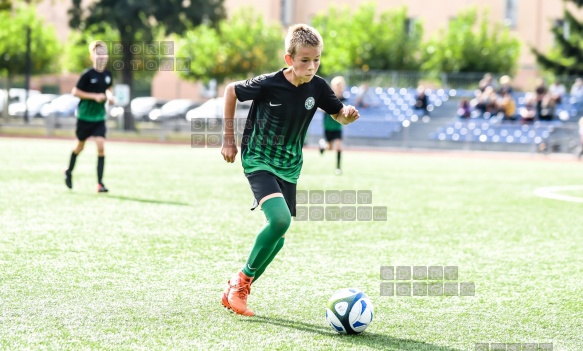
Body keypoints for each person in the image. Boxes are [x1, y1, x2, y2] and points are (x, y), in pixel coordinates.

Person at [220, 24, 360, 316]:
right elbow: (230, 91)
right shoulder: (269, 83)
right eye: (305, 60)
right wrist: (228, 141)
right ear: (289, 59)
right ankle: (240, 284)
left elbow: (338, 113)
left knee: (279, 238)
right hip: (258, 158)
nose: (311, 66)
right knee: (280, 220)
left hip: (290, 165)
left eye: (317, 59)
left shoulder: (318, 87)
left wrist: (346, 115)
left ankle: (237, 286)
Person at [64, 40, 115, 193]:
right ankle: (69, 171)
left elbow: (108, 89)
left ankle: (100, 183)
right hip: (85, 117)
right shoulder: (87, 74)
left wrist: (110, 96)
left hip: (99, 117)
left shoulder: (107, 74)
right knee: (80, 147)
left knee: (100, 146)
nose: (101, 57)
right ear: (92, 56)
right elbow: (75, 92)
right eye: (98, 53)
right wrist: (94, 96)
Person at [319, 76, 346, 175]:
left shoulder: (344, 99)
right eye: (337, 85)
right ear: (333, 86)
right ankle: (322, 146)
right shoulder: (329, 97)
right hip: (328, 127)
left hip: (338, 127)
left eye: (341, 85)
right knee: (330, 147)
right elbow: (320, 107)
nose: (339, 87)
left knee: (338, 146)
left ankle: (338, 168)